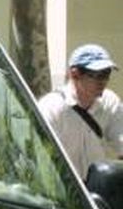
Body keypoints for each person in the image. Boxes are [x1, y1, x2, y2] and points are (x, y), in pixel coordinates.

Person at [38, 43, 123, 180]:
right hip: (64, 187)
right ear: (75, 74)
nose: (103, 81)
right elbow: (41, 157)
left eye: (107, 74)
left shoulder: (110, 102)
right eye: (98, 75)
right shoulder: (51, 107)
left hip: (98, 187)